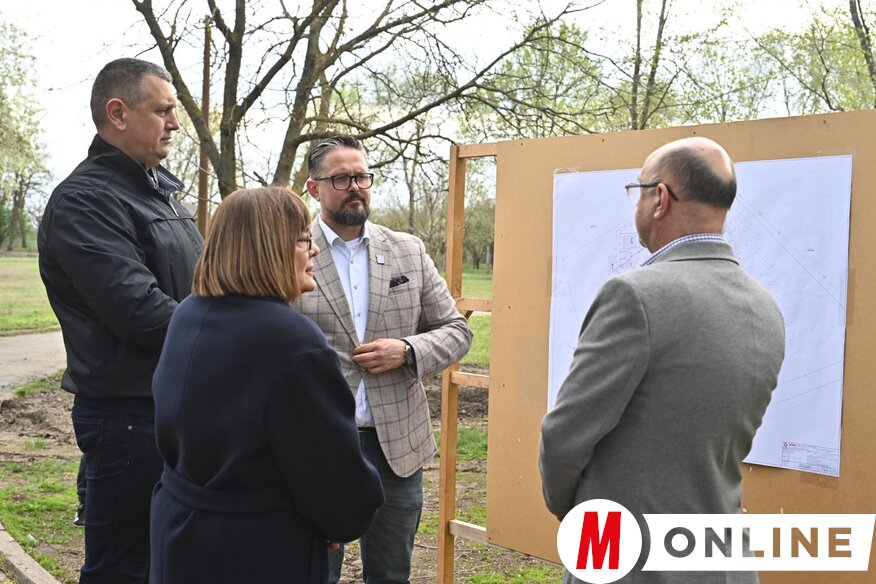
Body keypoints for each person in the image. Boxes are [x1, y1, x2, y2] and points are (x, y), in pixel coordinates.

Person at [539, 137, 786, 584]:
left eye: (638, 190)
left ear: (660, 198)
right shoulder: (765, 306)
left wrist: (575, 511)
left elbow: (565, 437)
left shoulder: (634, 296)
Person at [149, 187, 384, 583]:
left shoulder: (190, 312)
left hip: (180, 530)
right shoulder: (291, 339)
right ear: (268, 248)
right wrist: (337, 521)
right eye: (303, 239)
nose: (314, 250)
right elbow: (338, 484)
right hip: (255, 549)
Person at [38, 58, 203, 583]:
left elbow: (202, 288)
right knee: (125, 570)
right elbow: (139, 311)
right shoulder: (86, 200)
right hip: (129, 420)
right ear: (118, 113)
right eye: (163, 111)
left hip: (172, 409)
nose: (174, 124)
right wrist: (231, 337)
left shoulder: (158, 193)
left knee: (171, 565)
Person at [295, 135, 473, 583]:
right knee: (314, 571)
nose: (355, 187)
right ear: (314, 188)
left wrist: (408, 350)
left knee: (392, 574)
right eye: (341, 179)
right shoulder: (292, 252)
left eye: (362, 177)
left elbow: (457, 330)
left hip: (396, 444)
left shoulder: (407, 249)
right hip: (316, 442)